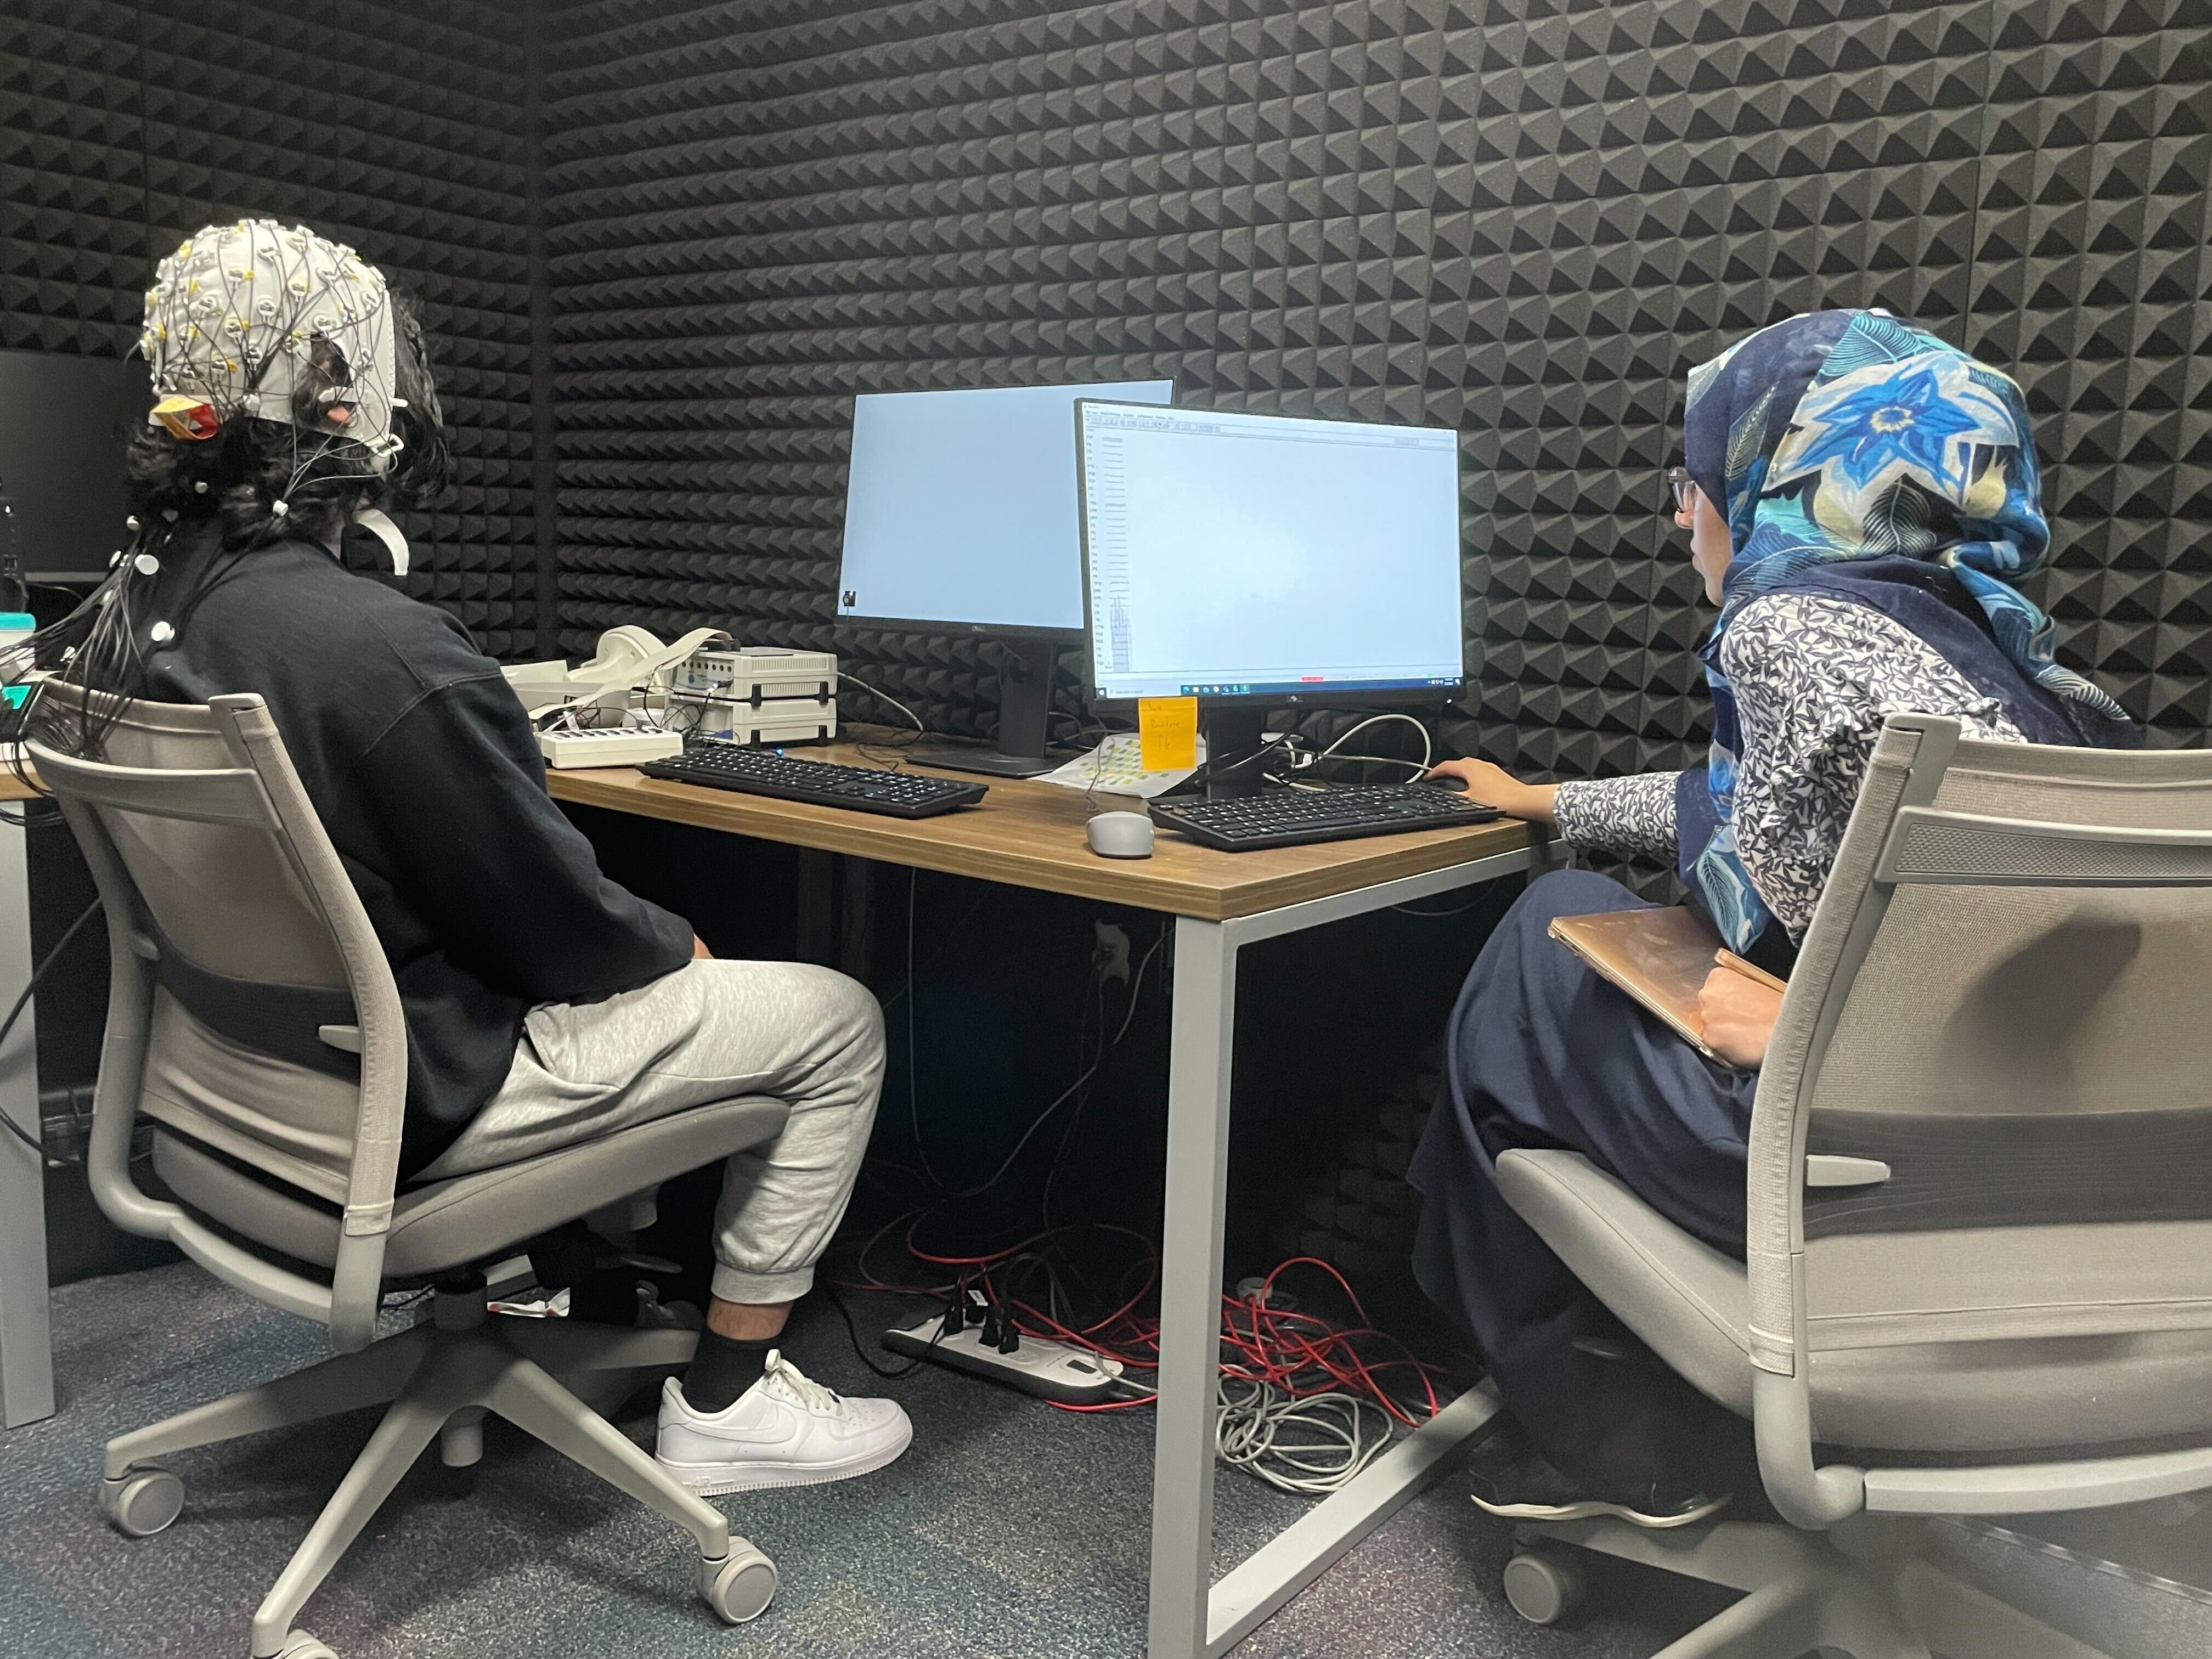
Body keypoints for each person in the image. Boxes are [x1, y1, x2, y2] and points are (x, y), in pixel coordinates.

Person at [23, 220, 910, 1496]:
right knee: (837, 1019)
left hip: (234, 1110)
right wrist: (678, 948)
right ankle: (726, 1405)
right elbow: (558, 936)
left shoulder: (119, 622)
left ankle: (552, 1289)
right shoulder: (380, 651)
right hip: (421, 1107)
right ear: (347, 409)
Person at [1413, 309, 2138, 1525]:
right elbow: (1769, 809)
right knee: (1580, 899)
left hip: (1856, 1164)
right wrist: (1544, 797)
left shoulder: (1791, 628)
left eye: (1693, 484)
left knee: (1539, 942)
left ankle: (1601, 1435)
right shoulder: (2003, 656)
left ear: (1778, 477)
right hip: (2037, 1180)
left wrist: (1807, 1016)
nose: (1682, 516)